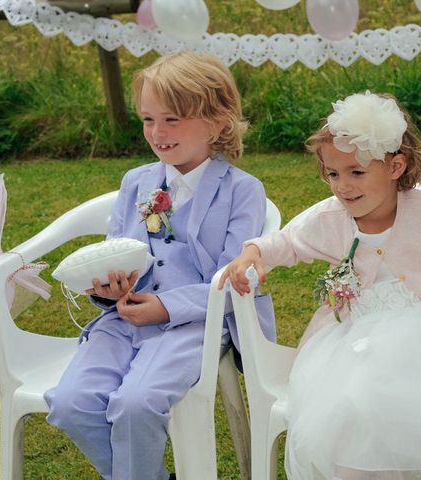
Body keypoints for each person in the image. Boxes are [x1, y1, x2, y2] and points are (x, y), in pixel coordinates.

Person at [221, 91, 421, 480]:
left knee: (403, 399)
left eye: (356, 173)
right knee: (348, 406)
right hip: (354, 336)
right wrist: (255, 251)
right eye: (332, 174)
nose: (343, 187)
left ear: (395, 167)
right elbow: (287, 242)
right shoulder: (332, 218)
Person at [45, 52, 275, 480]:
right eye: (148, 120)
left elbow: (233, 279)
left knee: (136, 403)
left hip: (194, 324)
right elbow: (117, 250)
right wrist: (108, 288)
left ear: (218, 121)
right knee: (69, 401)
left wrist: (165, 308)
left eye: (171, 119)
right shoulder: (137, 181)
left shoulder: (243, 191)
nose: (157, 133)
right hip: (124, 318)